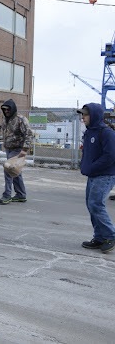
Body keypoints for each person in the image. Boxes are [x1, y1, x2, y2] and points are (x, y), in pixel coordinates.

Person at [78, 103, 115, 253]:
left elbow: (110, 156)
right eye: (82, 114)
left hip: (105, 175)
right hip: (93, 175)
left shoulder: (106, 133)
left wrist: (92, 167)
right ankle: (100, 237)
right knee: (91, 205)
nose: (83, 117)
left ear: (94, 115)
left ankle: (110, 236)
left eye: (85, 114)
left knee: (96, 204)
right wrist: (84, 165)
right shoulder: (89, 132)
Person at [0, 99, 33, 205]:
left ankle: (7, 195)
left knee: (8, 169)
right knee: (15, 172)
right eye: (4, 110)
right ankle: (21, 194)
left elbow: (29, 134)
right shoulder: (5, 119)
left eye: (8, 109)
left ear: (13, 109)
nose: (6, 111)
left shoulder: (21, 119)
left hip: (18, 149)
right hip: (9, 149)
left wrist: (25, 150)